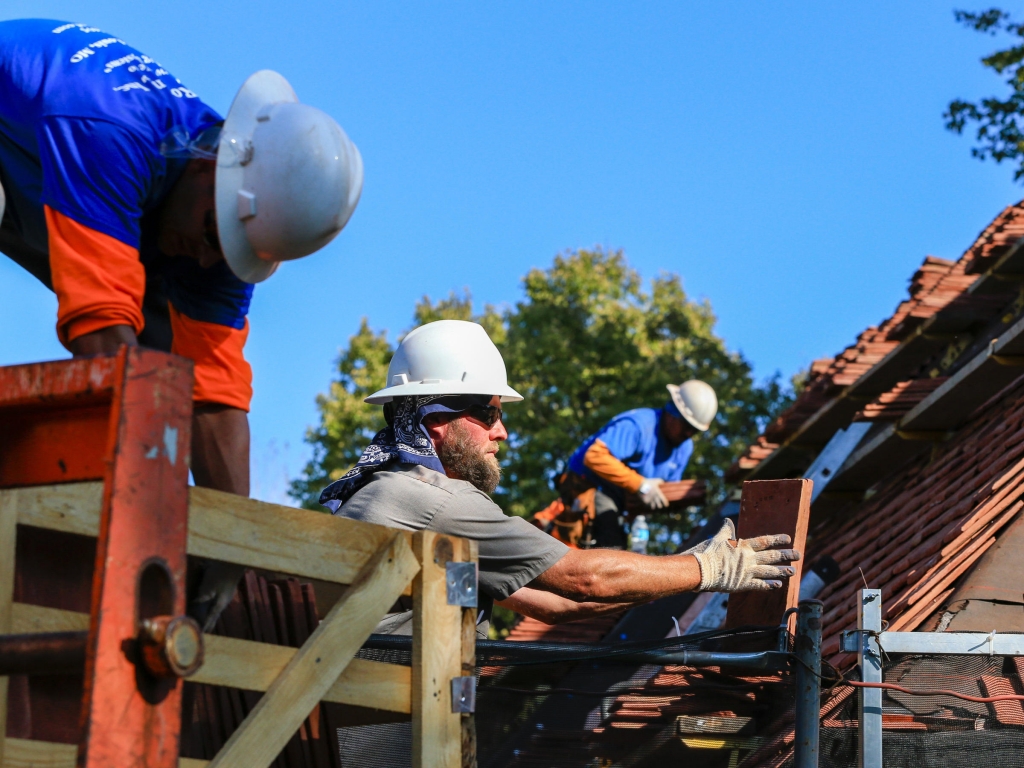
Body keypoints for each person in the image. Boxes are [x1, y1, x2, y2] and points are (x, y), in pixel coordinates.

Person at [0, 19, 363, 626]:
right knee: (132, 354)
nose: (207, 259)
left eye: (229, 254)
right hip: (33, 142)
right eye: (209, 236)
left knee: (165, 346)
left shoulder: (229, 213)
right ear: (210, 169)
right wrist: (147, 531)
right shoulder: (108, 130)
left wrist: (228, 546)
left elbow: (215, 397)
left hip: (52, 163)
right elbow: (103, 345)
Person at [321, 320, 799, 633]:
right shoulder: (437, 502)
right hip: (389, 734)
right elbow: (583, 579)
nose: (502, 431)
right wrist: (709, 569)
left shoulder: (388, 491)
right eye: (488, 415)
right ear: (437, 422)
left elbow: (561, 606)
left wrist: (673, 577)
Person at [557, 379, 718, 548]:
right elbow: (594, 456)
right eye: (686, 425)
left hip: (625, 503)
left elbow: (664, 492)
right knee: (610, 546)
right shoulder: (639, 425)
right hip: (590, 484)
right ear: (672, 411)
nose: (688, 433)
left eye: (695, 430)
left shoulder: (684, 448)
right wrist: (642, 485)